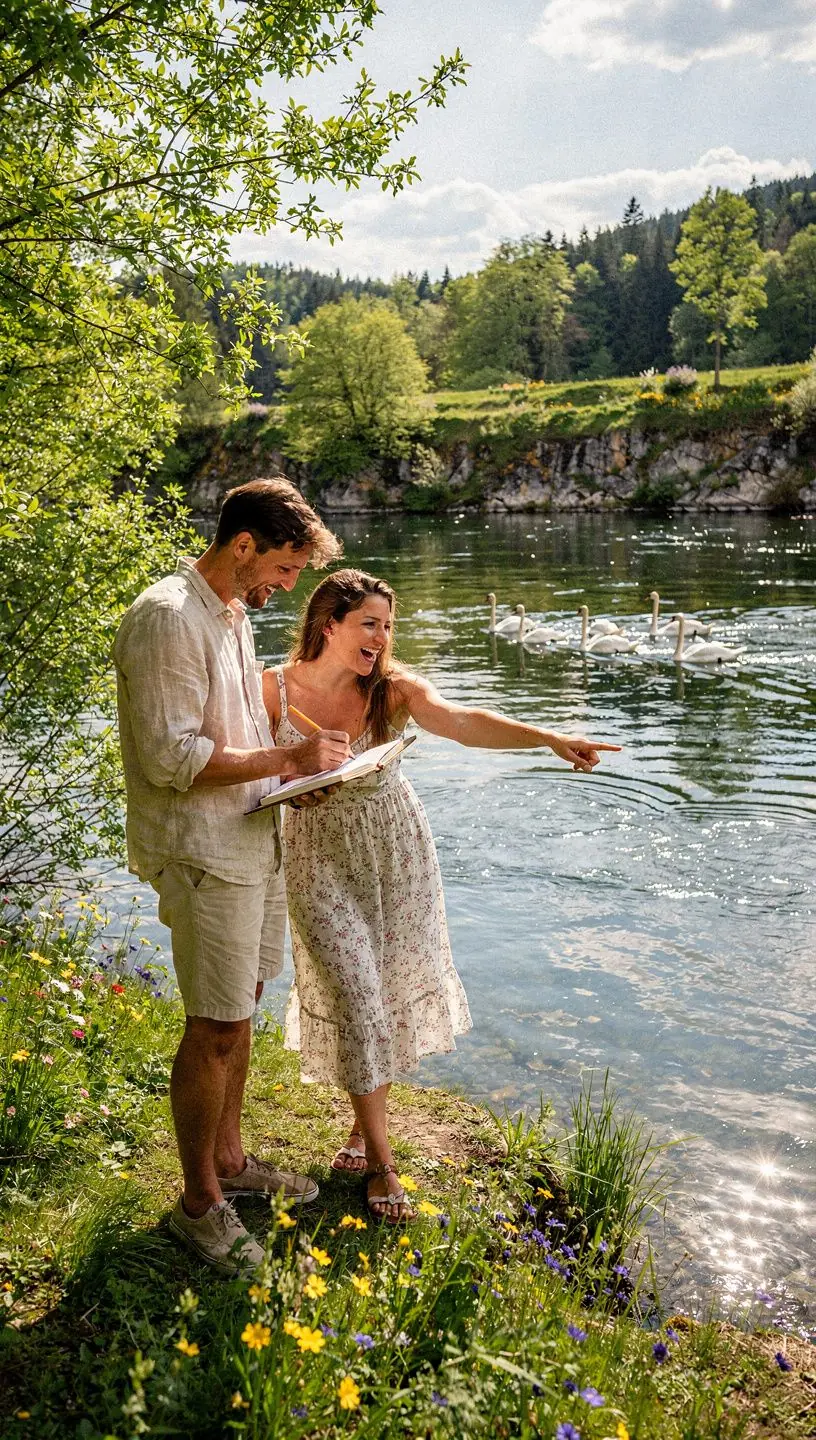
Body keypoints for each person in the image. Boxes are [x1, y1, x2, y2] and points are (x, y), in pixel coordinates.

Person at [264, 568, 620, 1224]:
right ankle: (382, 1163)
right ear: (329, 624)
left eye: (388, 626)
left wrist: (546, 737)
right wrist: (291, 773)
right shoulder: (272, 691)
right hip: (317, 857)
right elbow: (247, 771)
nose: (381, 637)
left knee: (387, 989)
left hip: (394, 850)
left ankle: (361, 1130)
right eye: (369, 623)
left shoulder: (393, 690)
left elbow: (460, 722)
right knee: (353, 990)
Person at [113, 478, 347, 1274]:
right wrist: (287, 760)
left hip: (250, 838)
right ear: (243, 544)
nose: (289, 587)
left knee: (238, 1009)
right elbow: (172, 758)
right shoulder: (166, 618)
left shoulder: (233, 614)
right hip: (203, 851)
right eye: (285, 568)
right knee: (212, 1027)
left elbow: (237, 727)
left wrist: (303, 767)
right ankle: (198, 1204)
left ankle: (232, 1162)